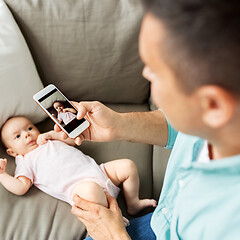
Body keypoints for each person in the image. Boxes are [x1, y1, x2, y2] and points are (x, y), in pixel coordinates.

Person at [55, 0, 240, 239]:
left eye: (155, 70)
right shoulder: (223, 117)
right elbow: (185, 128)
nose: (145, 73)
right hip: (164, 220)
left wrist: (113, 236)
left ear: (213, 104)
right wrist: (118, 125)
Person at [0, 116, 157, 229]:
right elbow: (21, 187)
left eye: (29, 128)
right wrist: (2, 174)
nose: (27, 135)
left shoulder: (48, 139)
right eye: (18, 136)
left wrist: (52, 134)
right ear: (12, 152)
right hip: (80, 190)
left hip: (100, 172)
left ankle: (133, 203)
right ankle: (110, 218)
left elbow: (73, 141)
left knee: (127, 166)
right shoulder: (25, 160)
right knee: (92, 190)